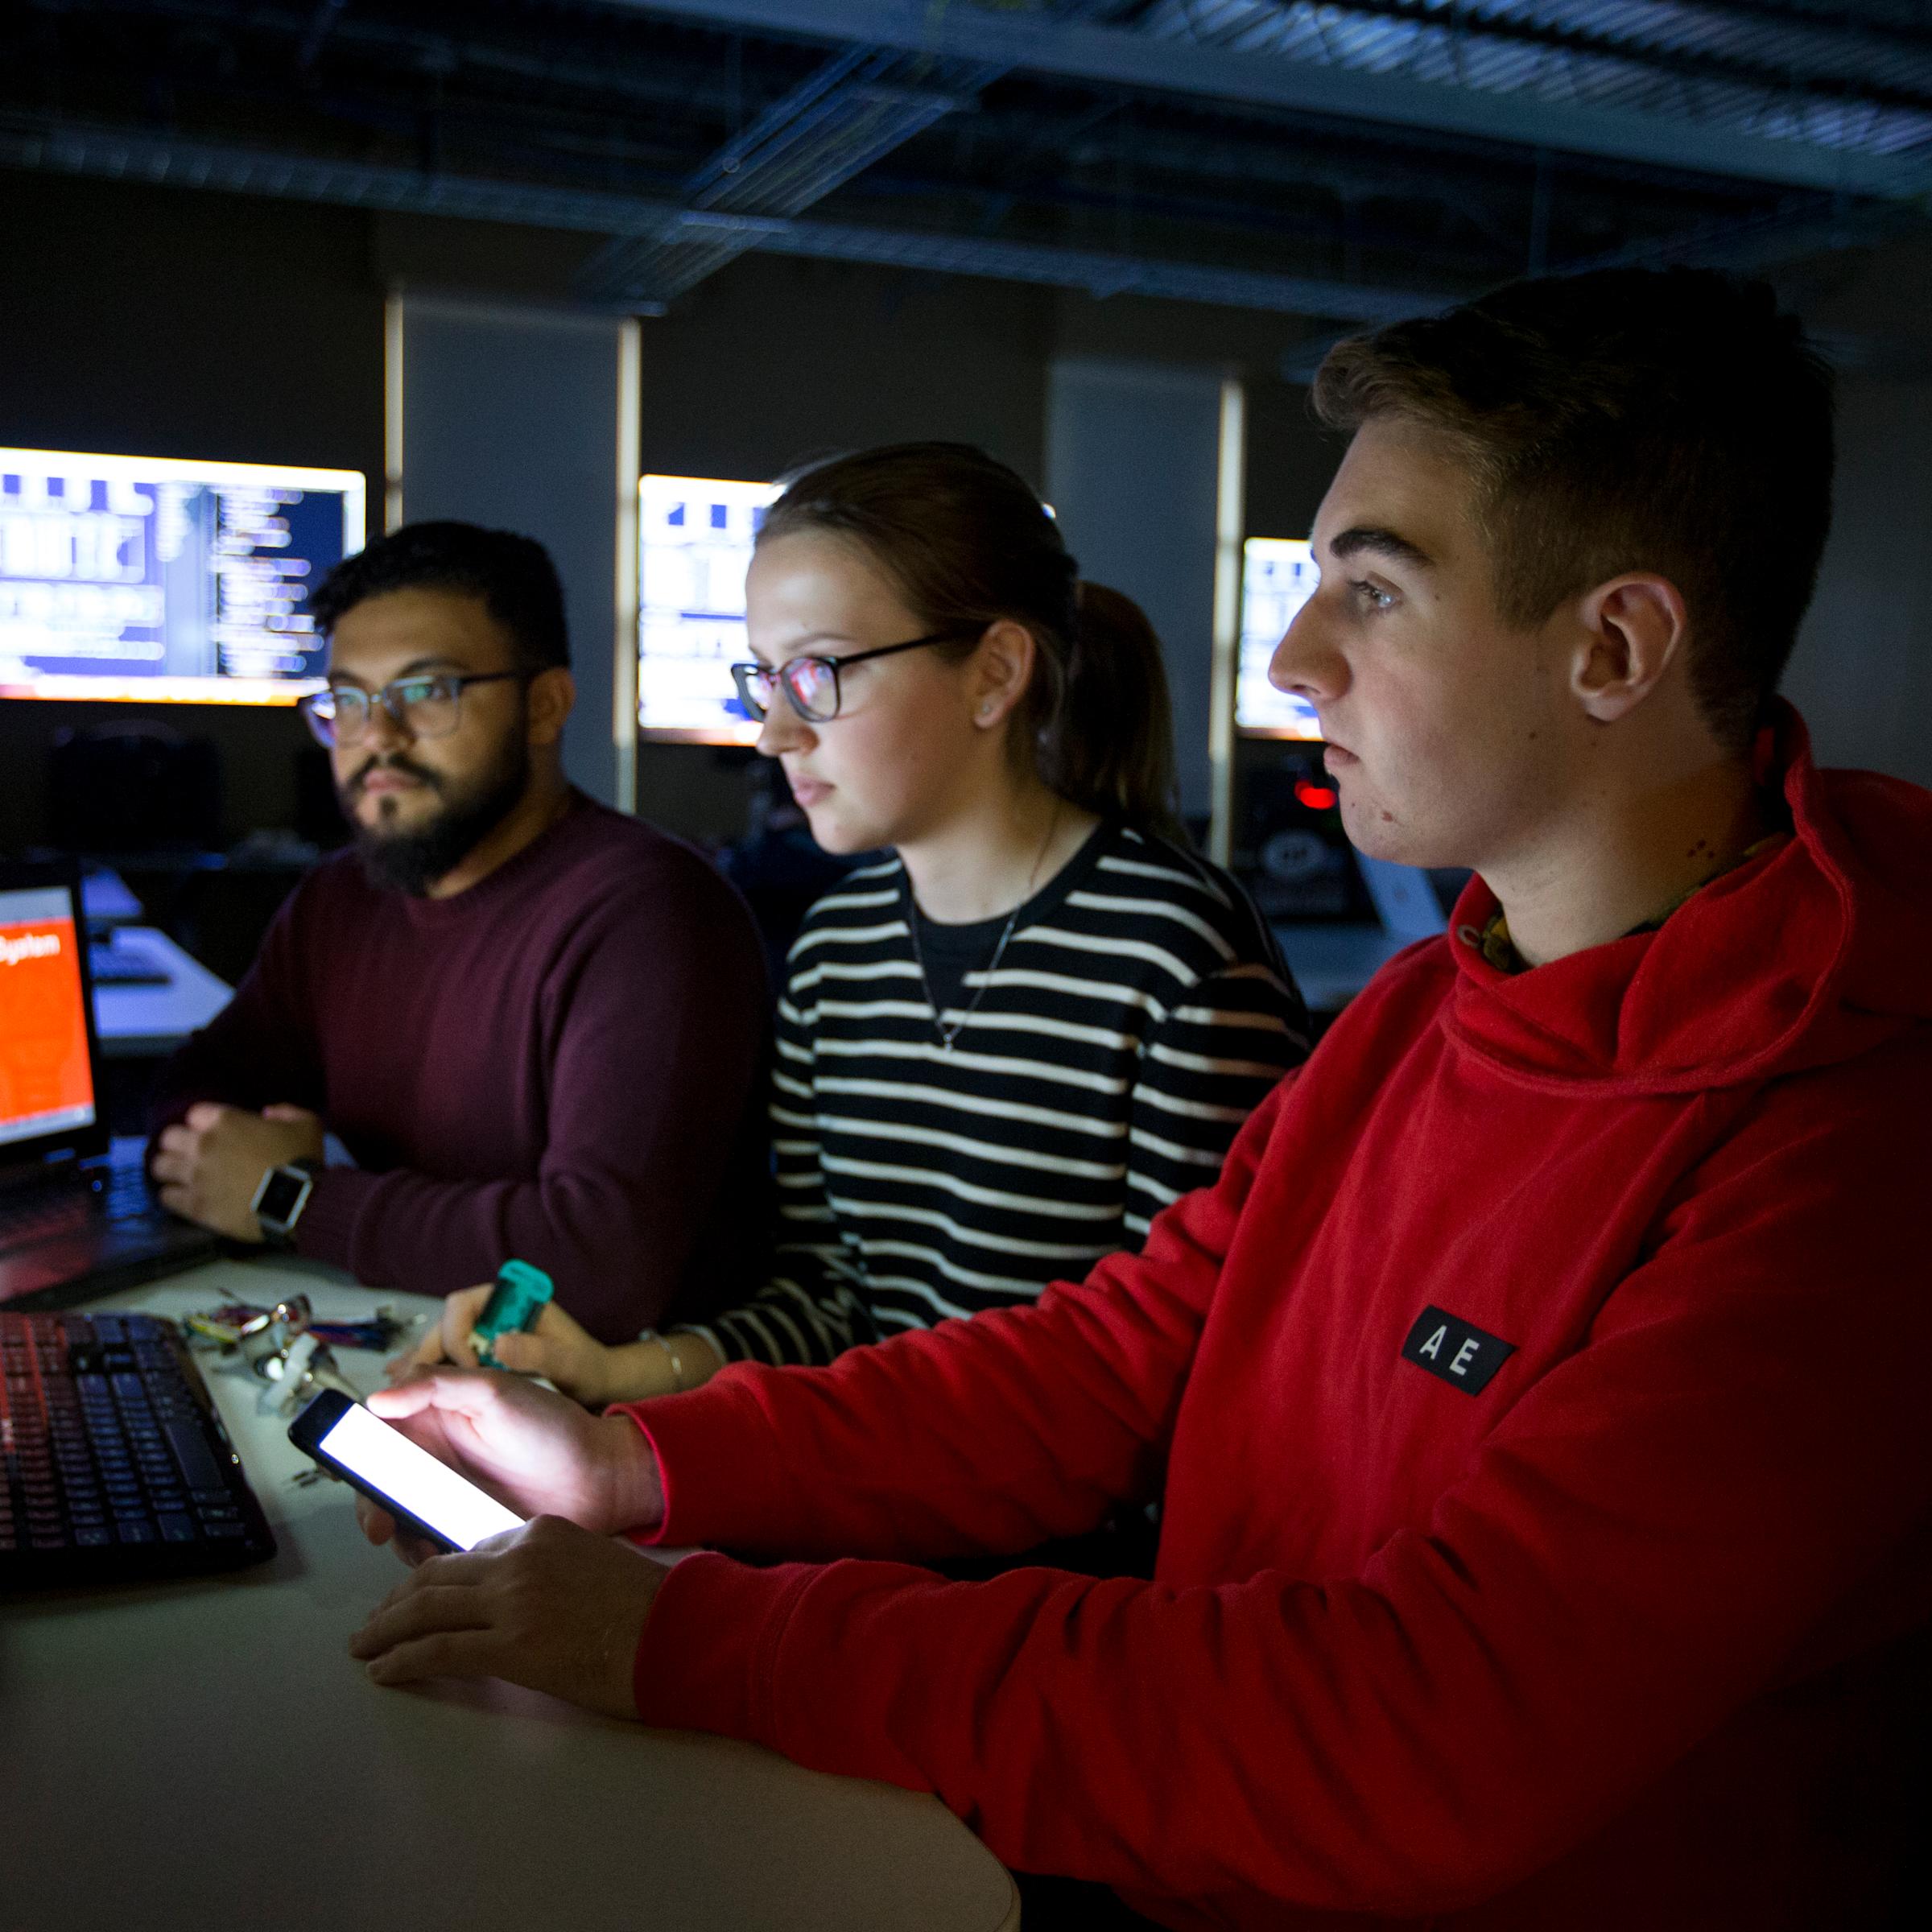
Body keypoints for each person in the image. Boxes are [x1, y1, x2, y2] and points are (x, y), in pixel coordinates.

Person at [349, 270, 1932, 1930]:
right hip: (1193, 1853)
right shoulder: (1421, 1015)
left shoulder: (1849, 1152)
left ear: (1614, 644)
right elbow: (1108, 1359)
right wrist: (637, 1467)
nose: (1299, 658)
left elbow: (1430, 1727)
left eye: (1373, 594)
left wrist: (687, 1634)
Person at [407, 444, 1308, 1406]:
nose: (774, 733)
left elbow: (1190, 1378)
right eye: (764, 678)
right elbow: (833, 1304)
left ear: (994, 673)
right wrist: (616, 1371)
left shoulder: (1173, 954)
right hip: (871, 1497)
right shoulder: (839, 950)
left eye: (819, 672)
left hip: (1068, 1548)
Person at [148, 521, 770, 1343]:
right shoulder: (341, 900)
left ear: (545, 705)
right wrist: (245, 1161)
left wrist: (295, 1197)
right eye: (348, 700)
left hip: (608, 1419)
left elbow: (604, 1265)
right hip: (404, 1355)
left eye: (426, 692)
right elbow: (186, 1100)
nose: (377, 737)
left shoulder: (650, 912)